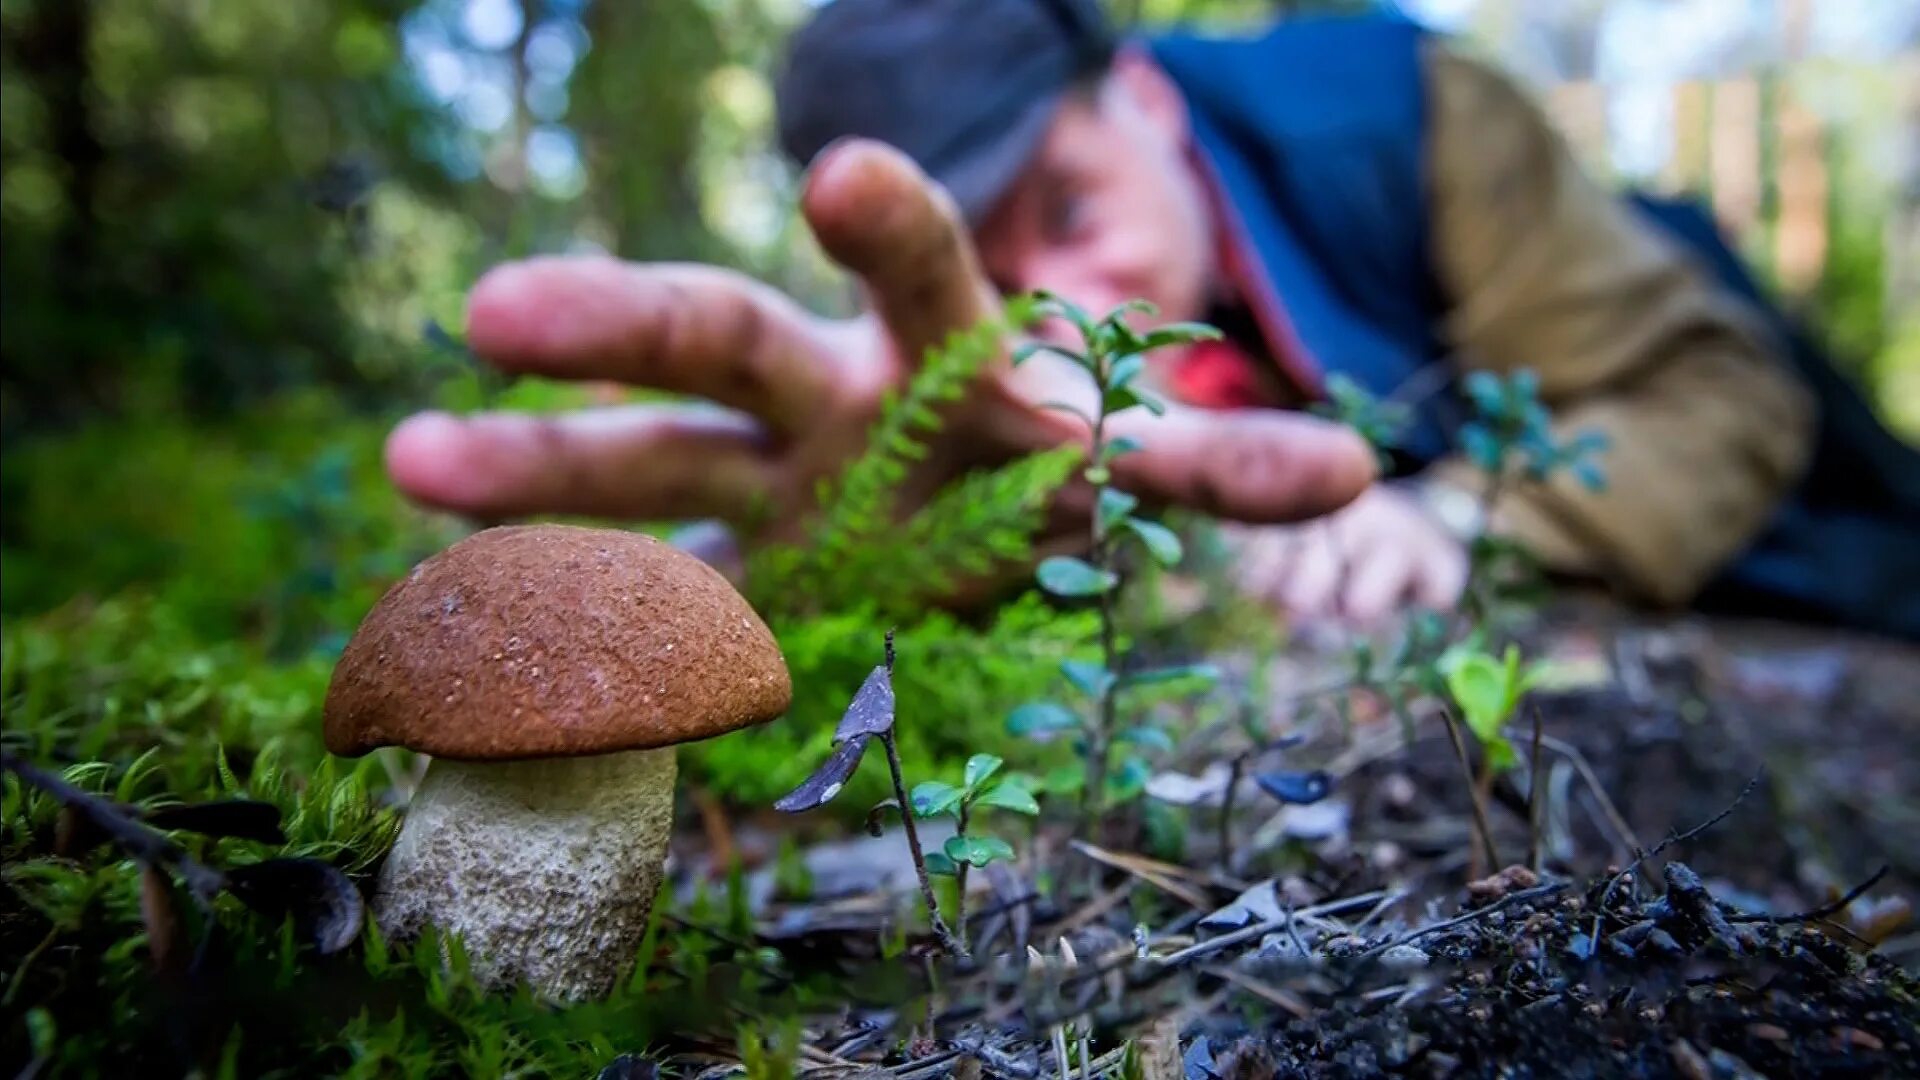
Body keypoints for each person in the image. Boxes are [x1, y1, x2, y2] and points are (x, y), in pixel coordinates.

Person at [383, 0, 1920, 639]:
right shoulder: (972, 378)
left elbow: (1723, 391)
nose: (1061, 302)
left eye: (1063, 207)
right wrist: (896, 551)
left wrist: (1466, 519)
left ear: (1135, 87)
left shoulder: (1403, 115)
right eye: (988, 273)